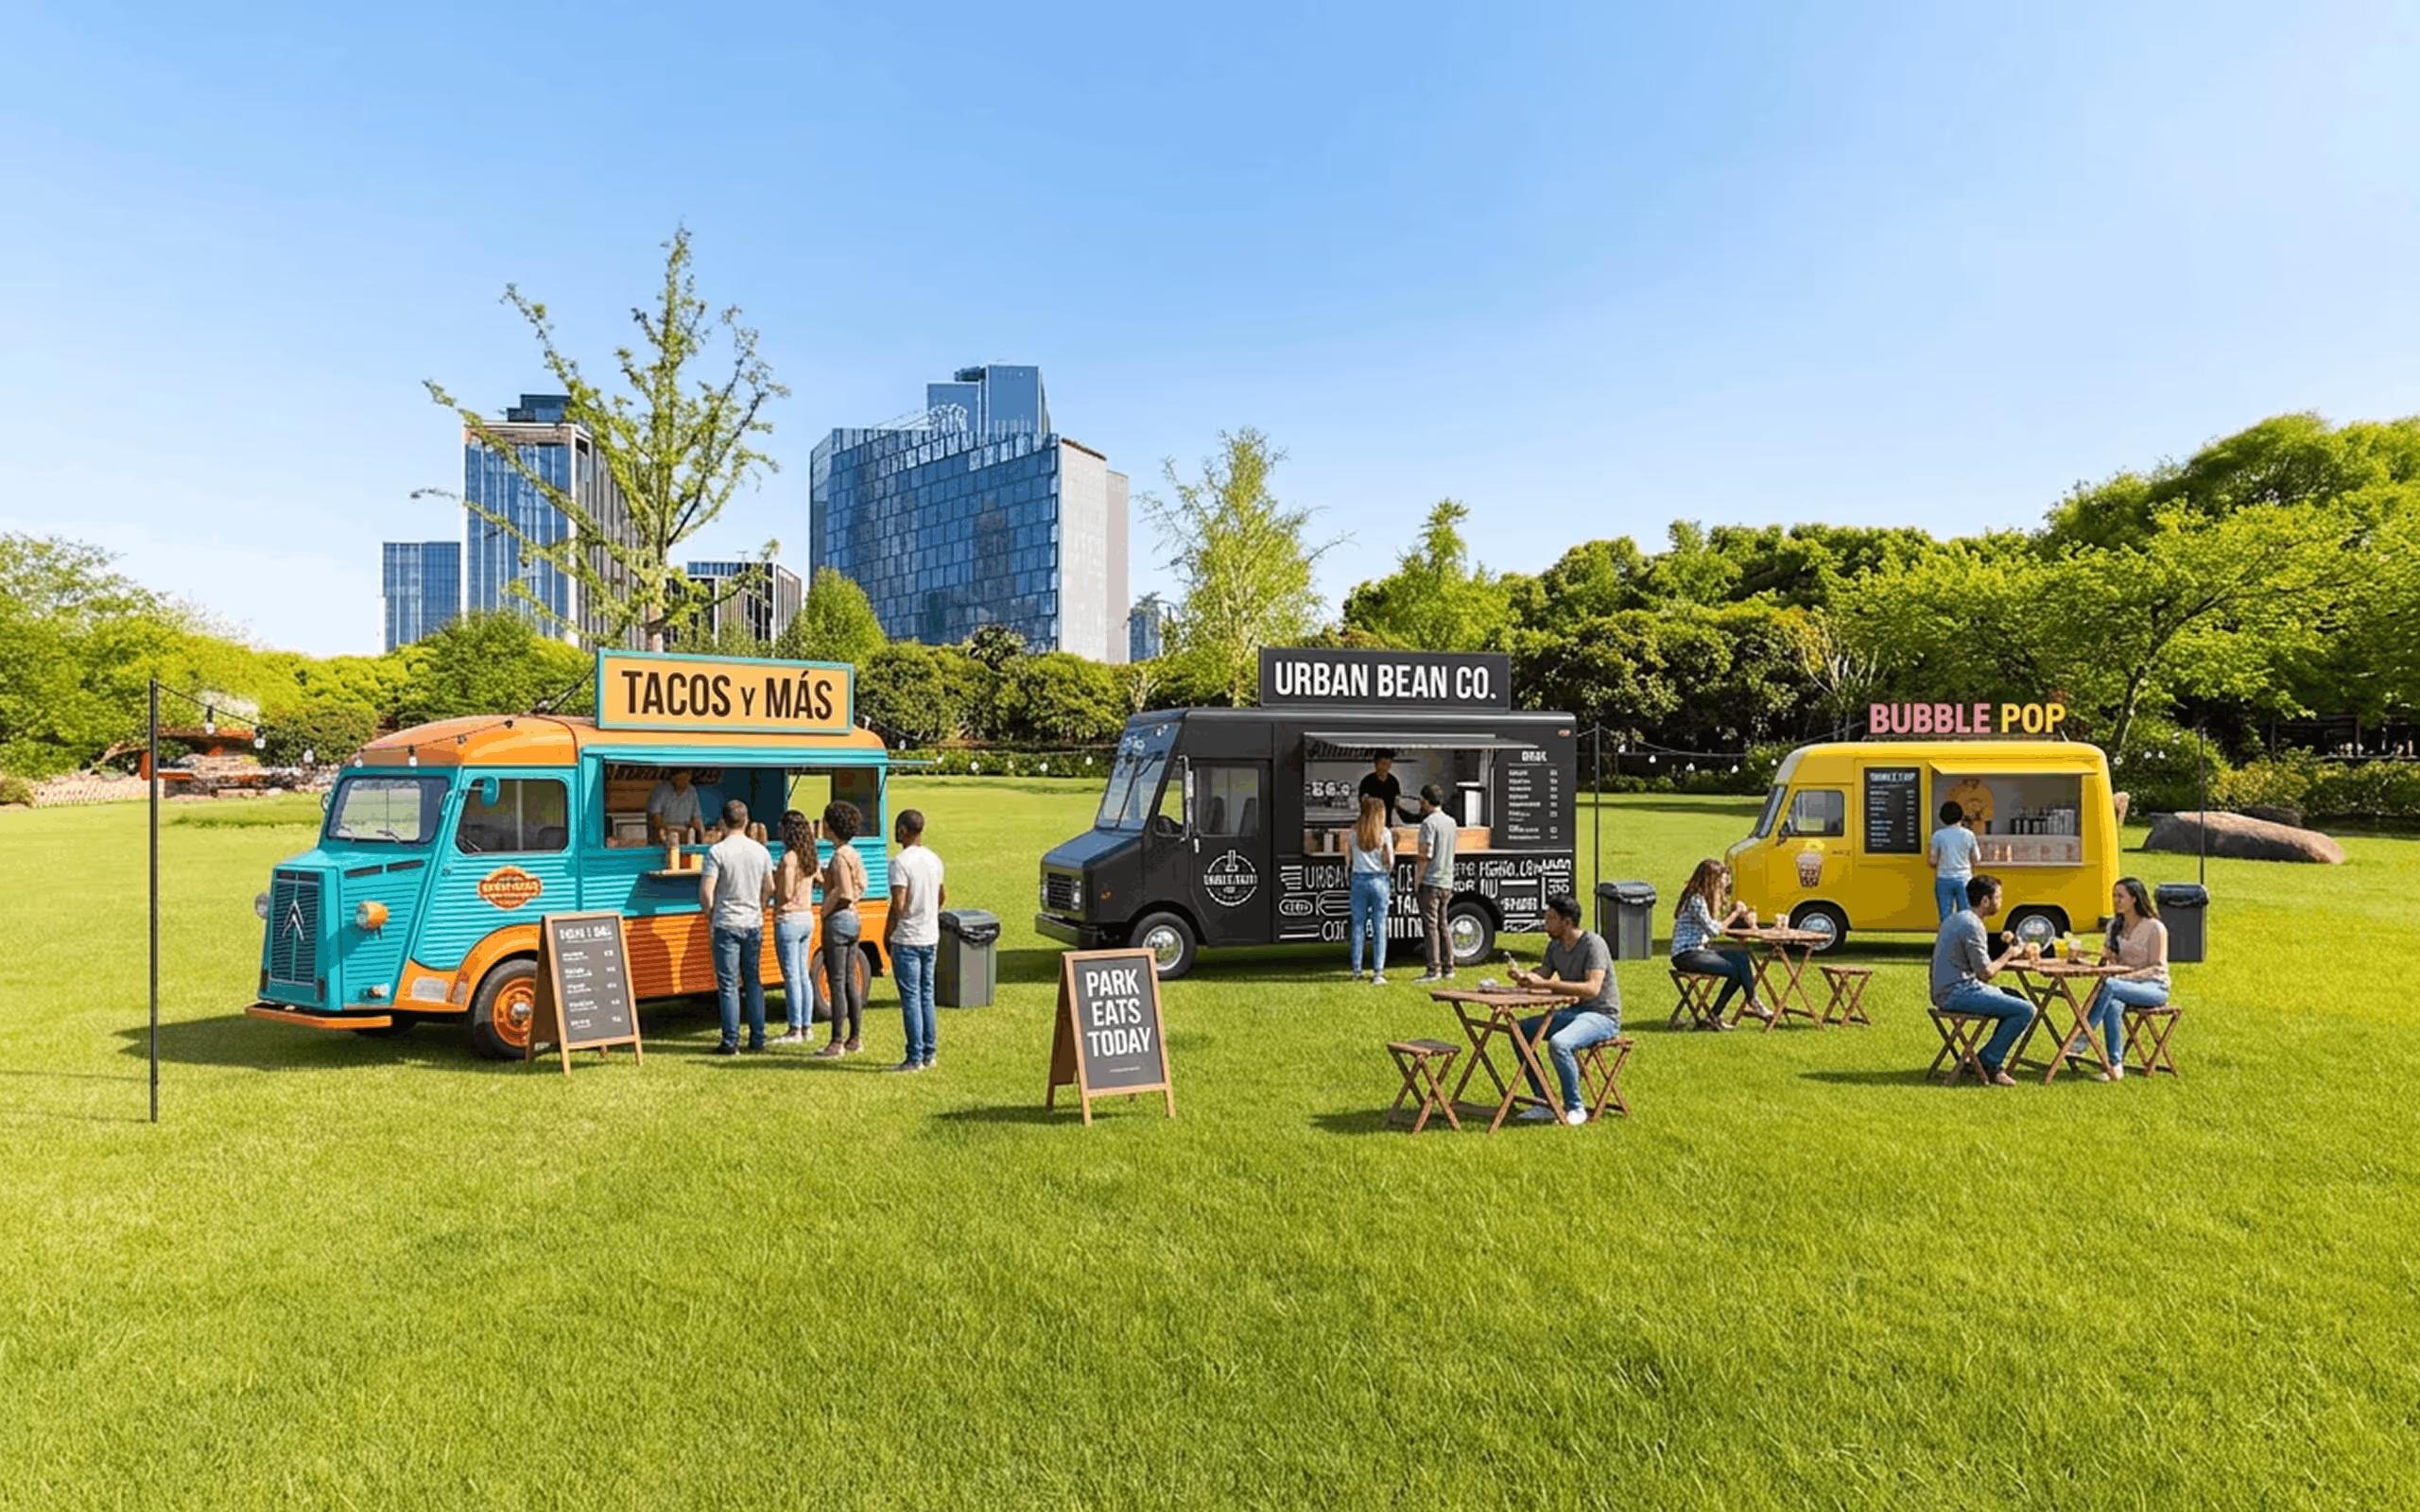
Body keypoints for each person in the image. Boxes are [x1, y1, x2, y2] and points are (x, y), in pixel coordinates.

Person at [1508, 893, 1622, 1126]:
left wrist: (1545, 984)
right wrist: (1525, 977)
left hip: (1602, 1016)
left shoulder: (1593, 944)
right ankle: (1544, 1101)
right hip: (1575, 1013)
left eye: (1550, 918)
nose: (1545, 923)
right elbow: (1543, 975)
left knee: (1560, 1044)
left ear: (1567, 922)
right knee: (1519, 1031)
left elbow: (1592, 989)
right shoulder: (1555, 945)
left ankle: (1575, 1108)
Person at [1929, 873, 2034, 1086]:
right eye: (1998, 897)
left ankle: (1985, 1060)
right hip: (1957, 993)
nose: (2000, 902)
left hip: (1945, 990)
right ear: (1985, 901)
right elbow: (1985, 973)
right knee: (2026, 1010)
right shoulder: (1973, 925)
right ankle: (1989, 1062)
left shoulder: (1956, 918)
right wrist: (2010, 954)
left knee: (2013, 996)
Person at [699, 798, 773, 1056]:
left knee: (729, 985)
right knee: (753, 981)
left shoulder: (716, 852)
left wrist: (711, 915)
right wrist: (760, 907)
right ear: (747, 821)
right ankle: (758, 1038)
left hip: (726, 923)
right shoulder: (761, 851)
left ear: (723, 822)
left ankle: (731, 1041)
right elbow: (770, 887)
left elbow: (706, 892)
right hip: (753, 923)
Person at [2083, 877, 2169, 1082]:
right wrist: (2102, 958)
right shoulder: (2114, 925)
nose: (2116, 900)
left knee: (2111, 985)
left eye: (2120, 896)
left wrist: (2125, 977)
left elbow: (2157, 967)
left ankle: (2082, 1037)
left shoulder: (2155, 928)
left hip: (2154, 987)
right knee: (2112, 1004)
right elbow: (2112, 964)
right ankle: (2115, 1066)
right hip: (2123, 987)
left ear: (2134, 899)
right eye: (2114, 896)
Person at [1668, 858, 1768, 1027]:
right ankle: (1745, 1005)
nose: (1724, 881)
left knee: (1742, 958)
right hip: (1686, 955)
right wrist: (1735, 913)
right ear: (1710, 878)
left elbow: (1719, 925)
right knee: (1738, 972)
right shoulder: (1696, 900)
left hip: (1700, 950)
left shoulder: (1704, 898)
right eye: (1721, 878)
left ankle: (1731, 1009)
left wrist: (1745, 920)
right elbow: (1714, 930)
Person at [884, 807, 945, 1072]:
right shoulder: (935, 859)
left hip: (907, 937)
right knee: (926, 995)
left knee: (910, 998)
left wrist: (889, 931)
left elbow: (898, 905)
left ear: (902, 830)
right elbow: (942, 896)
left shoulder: (900, 863)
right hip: (930, 935)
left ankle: (913, 1056)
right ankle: (929, 1053)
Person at [811, 800, 870, 1059]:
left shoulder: (839, 857)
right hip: (854, 920)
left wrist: (826, 908)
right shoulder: (853, 853)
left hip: (838, 921)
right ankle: (855, 1037)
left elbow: (844, 892)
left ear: (832, 827)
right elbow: (859, 886)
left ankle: (836, 1041)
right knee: (849, 980)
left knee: (836, 981)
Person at [770, 810, 823, 1045]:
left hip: (788, 919)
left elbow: (785, 895)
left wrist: (775, 881)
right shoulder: (809, 855)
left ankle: (794, 1029)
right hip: (807, 917)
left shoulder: (789, 859)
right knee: (803, 974)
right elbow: (821, 880)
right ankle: (806, 1027)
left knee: (791, 975)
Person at [1344, 795, 1394, 985]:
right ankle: (1378, 973)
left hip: (1359, 880)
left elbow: (1347, 861)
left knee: (1358, 925)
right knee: (1379, 926)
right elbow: (1390, 864)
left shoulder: (1353, 833)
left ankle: (1357, 969)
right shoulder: (1385, 834)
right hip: (1379, 880)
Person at [1414, 783, 1459, 984]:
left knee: (1430, 926)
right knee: (1443, 924)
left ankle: (1433, 969)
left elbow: (1426, 854)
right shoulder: (1451, 822)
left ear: (1425, 800)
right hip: (1447, 879)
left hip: (1431, 880)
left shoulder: (1428, 824)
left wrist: (1418, 879)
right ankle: (1449, 967)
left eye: (1421, 800)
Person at [1928, 800, 1980, 922]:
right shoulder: (1969, 835)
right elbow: (1976, 858)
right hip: (1964, 878)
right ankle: (1963, 940)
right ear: (1962, 816)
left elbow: (1933, 860)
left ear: (1942, 817)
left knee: (1945, 916)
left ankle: (1947, 940)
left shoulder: (1938, 835)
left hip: (1943, 878)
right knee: (1966, 916)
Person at [647, 769, 703, 844]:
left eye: (686, 779)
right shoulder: (661, 789)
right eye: (680, 779)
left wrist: (702, 835)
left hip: (684, 832)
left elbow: (696, 818)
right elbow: (655, 815)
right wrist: (664, 829)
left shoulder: (691, 791)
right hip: (665, 831)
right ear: (673, 779)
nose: (684, 782)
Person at [1358, 751, 1412, 823]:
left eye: (1388, 764)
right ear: (1376, 764)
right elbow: (1363, 802)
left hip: (1387, 822)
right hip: (1370, 822)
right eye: (1383, 764)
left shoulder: (1393, 781)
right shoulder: (1367, 781)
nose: (1385, 767)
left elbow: (1396, 803)